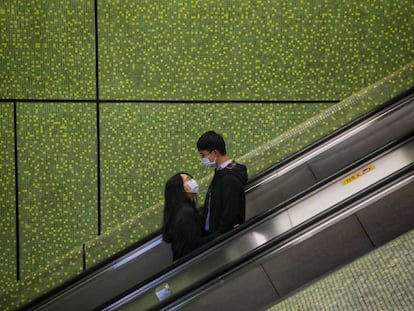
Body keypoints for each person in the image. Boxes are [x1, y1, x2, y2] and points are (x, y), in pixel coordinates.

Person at [197, 131, 248, 236]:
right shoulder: (221, 173)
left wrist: (215, 238)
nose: (202, 159)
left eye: (203, 155)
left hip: (221, 237)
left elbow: (228, 215)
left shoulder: (229, 179)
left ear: (215, 153)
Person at [162, 172, 217, 261]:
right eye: (188, 180)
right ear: (180, 188)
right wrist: (222, 233)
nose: (193, 181)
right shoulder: (186, 214)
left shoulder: (182, 211)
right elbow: (197, 244)